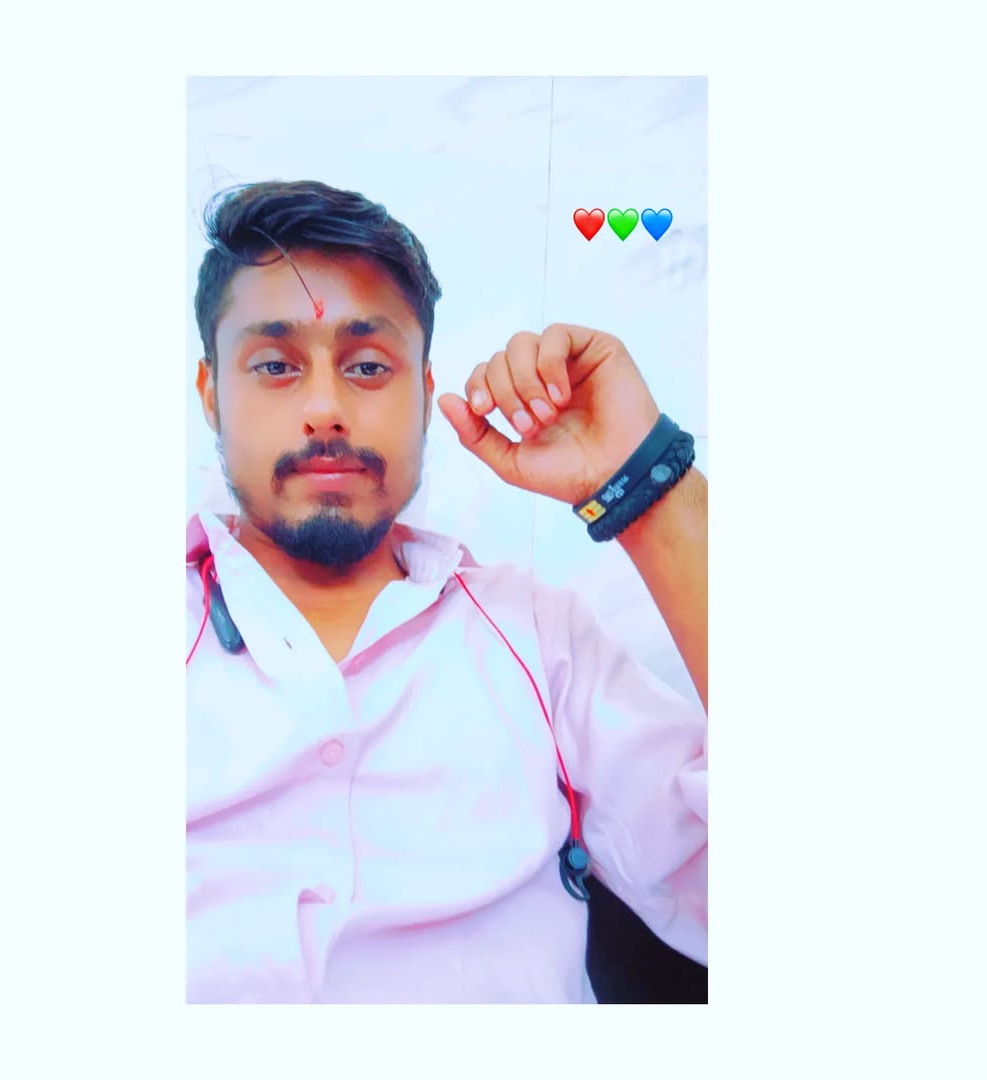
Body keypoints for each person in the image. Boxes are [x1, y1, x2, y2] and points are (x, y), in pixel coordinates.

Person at [186, 179, 708, 1004]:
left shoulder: (535, 637)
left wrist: (650, 487)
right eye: (275, 366)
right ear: (212, 394)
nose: (324, 408)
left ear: (426, 398)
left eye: (367, 366)